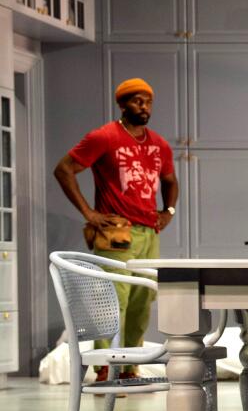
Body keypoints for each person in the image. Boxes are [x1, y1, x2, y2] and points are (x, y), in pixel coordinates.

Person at [54, 78, 178, 382]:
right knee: (112, 299)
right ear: (122, 104)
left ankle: (129, 367)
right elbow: (64, 168)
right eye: (137, 101)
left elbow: (170, 180)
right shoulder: (105, 137)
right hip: (117, 232)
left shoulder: (158, 143)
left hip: (149, 231)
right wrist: (89, 213)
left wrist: (168, 211)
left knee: (142, 300)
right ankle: (105, 367)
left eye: (148, 101)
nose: (144, 106)